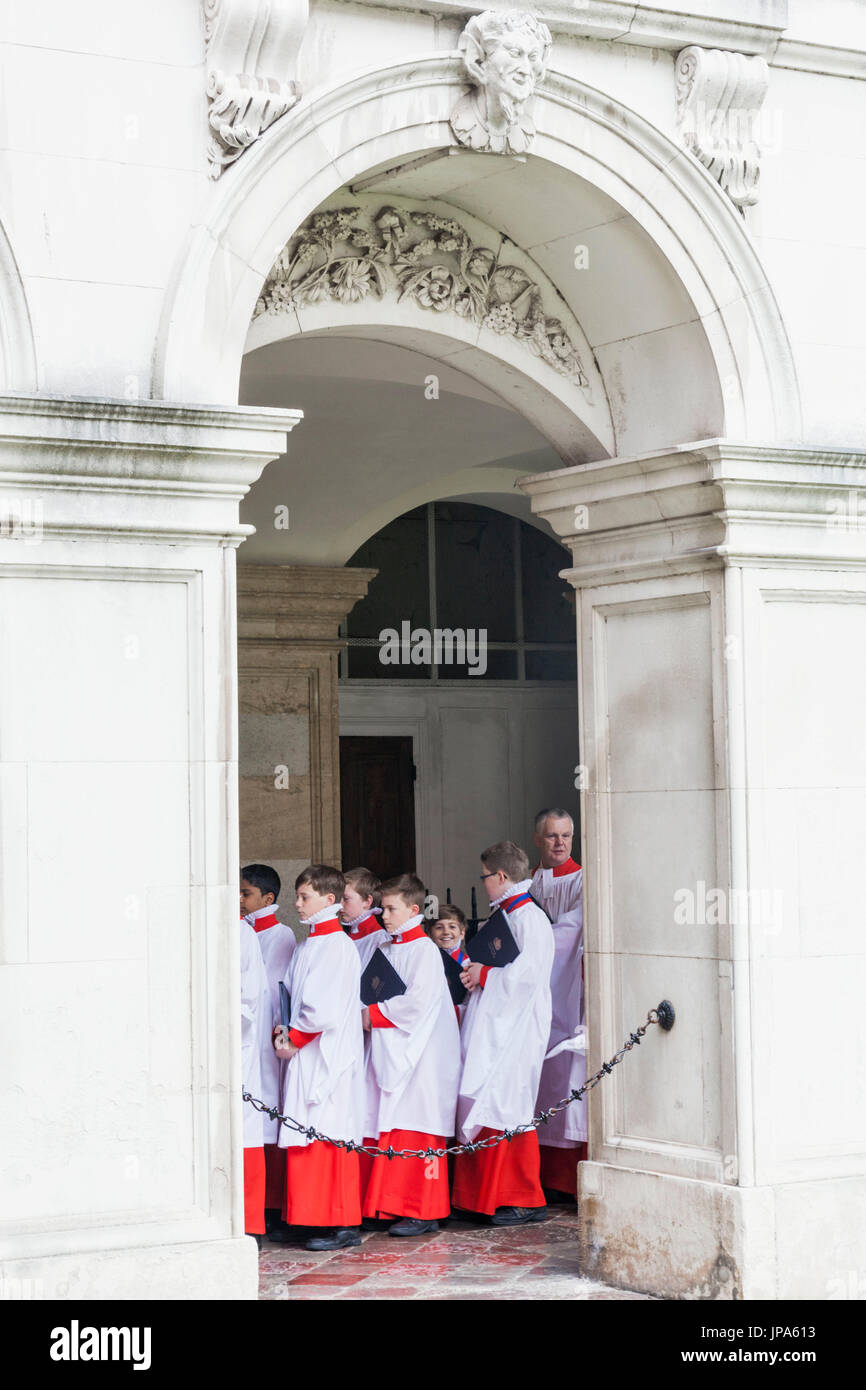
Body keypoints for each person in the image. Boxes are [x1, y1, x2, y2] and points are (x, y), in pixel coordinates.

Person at [452, 841, 554, 1225]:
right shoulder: (507, 917)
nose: (483, 886)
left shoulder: (531, 919)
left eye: (484, 878)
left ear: (500, 876)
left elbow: (527, 979)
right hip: (495, 1024)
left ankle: (524, 1197)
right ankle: (481, 1198)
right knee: (488, 1101)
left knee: (509, 1104)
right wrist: (476, 971)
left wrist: (486, 974)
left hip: (519, 1029)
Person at [361, 873, 460, 1236]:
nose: (384, 915)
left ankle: (424, 1209)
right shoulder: (387, 948)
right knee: (392, 1123)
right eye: (383, 908)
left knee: (418, 1124)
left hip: (423, 1054)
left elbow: (417, 1004)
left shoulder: (424, 950)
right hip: (394, 1047)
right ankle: (390, 1205)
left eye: (391, 908)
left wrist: (371, 1014)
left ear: (414, 909)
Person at [273, 864, 364, 1251]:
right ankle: (308, 1217)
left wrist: (294, 1037)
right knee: (305, 1133)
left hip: (327, 1054)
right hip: (306, 1050)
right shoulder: (310, 943)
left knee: (328, 1131)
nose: (297, 904)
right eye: (297, 896)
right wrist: (283, 1027)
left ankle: (340, 1222)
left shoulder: (336, 945)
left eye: (304, 897)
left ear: (330, 900)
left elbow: (321, 1008)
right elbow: (292, 995)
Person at [531, 809, 587, 1202]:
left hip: (568, 991)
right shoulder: (530, 882)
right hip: (538, 993)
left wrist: (532, 947)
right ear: (539, 839)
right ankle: (543, 1178)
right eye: (552, 836)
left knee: (566, 1076)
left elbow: (571, 932)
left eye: (566, 835)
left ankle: (568, 1182)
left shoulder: (584, 879)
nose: (560, 843)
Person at [240, 863, 297, 1230]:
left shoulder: (282, 936)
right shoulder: (243, 932)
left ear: (268, 898)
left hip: (269, 1040)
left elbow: (278, 991)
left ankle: (274, 1206)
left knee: (269, 1116)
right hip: (249, 1040)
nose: (241, 901)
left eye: (246, 894)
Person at [239, 918, 271, 1241]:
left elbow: (247, 998)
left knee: (244, 1131)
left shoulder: (240, 932)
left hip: (238, 1045)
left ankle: (250, 1223)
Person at [341, 866, 387, 969]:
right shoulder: (345, 937)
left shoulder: (380, 941)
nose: (340, 905)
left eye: (346, 899)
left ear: (367, 901)